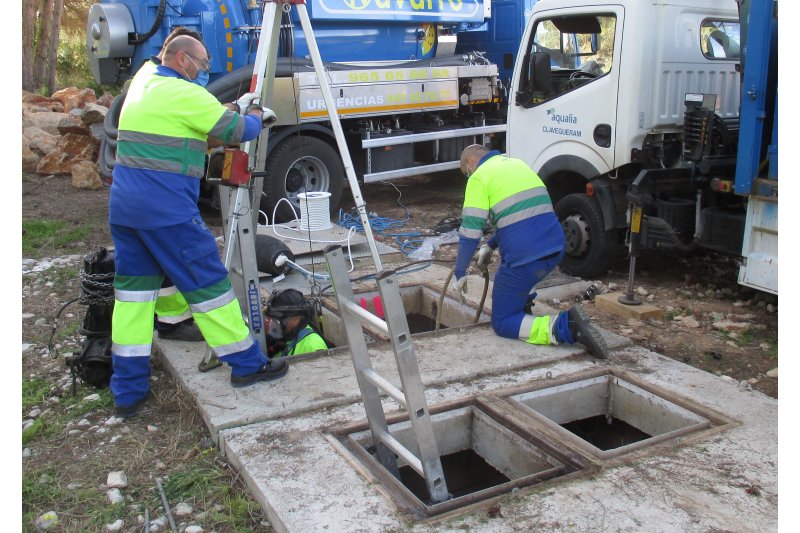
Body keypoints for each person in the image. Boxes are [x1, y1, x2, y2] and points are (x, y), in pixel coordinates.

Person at [109, 34, 284, 418]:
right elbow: (238, 132)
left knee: (133, 300)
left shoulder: (145, 78)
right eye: (202, 64)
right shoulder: (187, 95)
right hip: (166, 212)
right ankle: (247, 365)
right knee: (209, 285)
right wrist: (254, 117)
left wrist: (229, 109)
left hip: (126, 210)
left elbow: (186, 117)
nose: (204, 71)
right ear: (183, 58)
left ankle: (128, 391)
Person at [451, 144, 608, 358]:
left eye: (465, 173)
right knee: (518, 280)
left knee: (503, 322)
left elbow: (470, 232)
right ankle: (523, 306)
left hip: (526, 258)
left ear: (470, 163)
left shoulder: (479, 177)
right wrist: (491, 245)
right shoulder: (517, 164)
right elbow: (525, 213)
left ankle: (565, 327)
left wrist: (460, 273)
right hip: (554, 248)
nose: (468, 176)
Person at [264, 289, 329, 357]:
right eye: (272, 319)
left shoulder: (313, 347)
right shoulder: (286, 335)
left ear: (296, 319)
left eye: (277, 320)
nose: (273, 324)